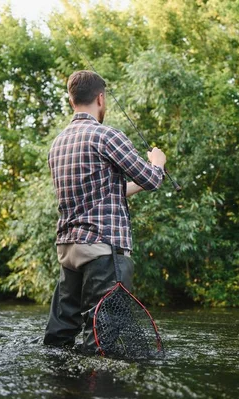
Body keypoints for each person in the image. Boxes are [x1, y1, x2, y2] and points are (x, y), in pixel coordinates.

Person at [43, 70, 167, 353]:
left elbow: (103, 193)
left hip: (69, 252)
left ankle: (61, 386)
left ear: (72, 100)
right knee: (103, 341)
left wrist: (135, 183)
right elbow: (151, 179)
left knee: (59, 336)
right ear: (101, 98)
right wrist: (157, 162)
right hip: (103, 250)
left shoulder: (57, 144)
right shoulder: (106, 135)